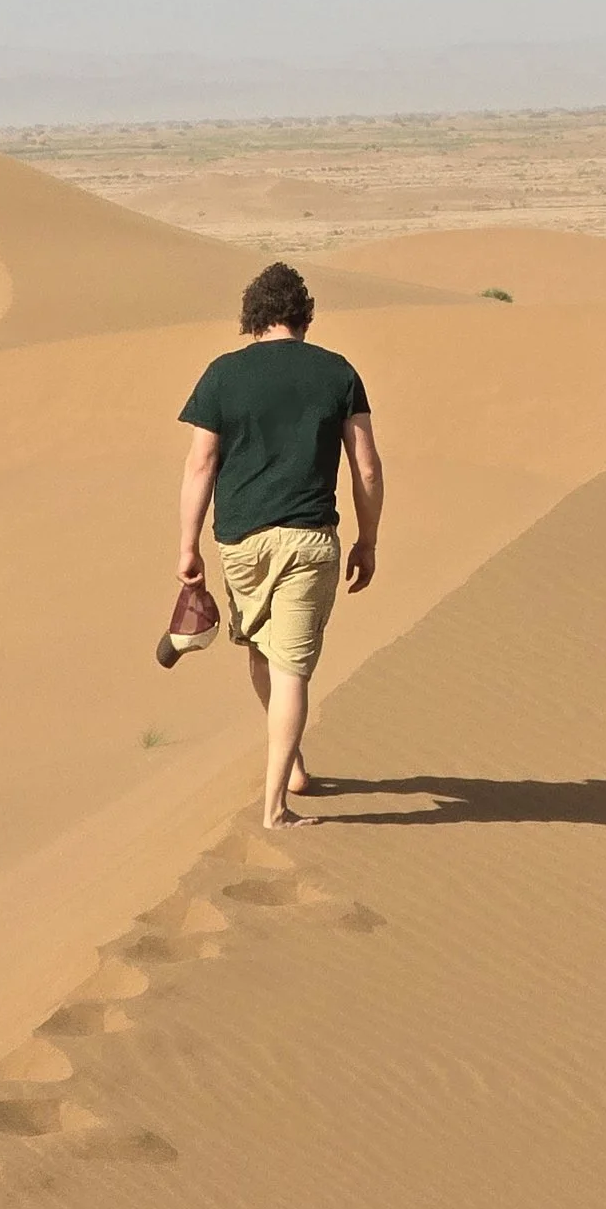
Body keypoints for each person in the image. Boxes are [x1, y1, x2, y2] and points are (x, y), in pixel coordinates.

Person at [176, 261, 383, 830]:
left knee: (264, 654)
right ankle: (276, 808)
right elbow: (364, 464)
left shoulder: (222, 374)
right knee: (292, 668)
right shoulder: (337, 372)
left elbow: (200, 464)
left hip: (239, 540)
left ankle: (288, 767)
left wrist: (187, 544)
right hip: (309, 541)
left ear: (254, 316)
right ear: (302, 315)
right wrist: (368, 539)